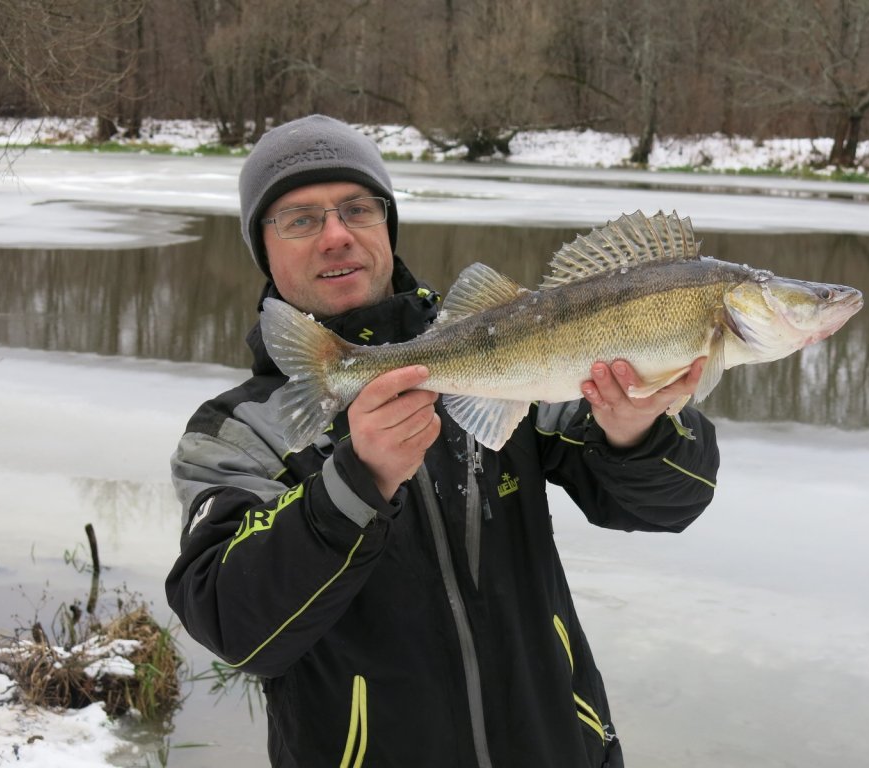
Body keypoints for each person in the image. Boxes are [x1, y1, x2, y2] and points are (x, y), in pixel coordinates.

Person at [165, 114, 720, 768]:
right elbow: (238, 630)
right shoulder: (239, 430)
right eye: (300, 219)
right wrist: (354, 484)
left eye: (357, 209)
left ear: (387, 225)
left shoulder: (511, 355)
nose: (337, 235)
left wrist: (637, 431)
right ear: (262, 245)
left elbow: (670, 504)